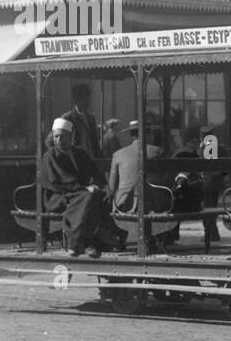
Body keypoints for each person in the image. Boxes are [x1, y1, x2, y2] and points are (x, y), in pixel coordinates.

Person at [40, 117, 121, 258]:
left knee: (99, 195)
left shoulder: (79, 153)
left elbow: (94, 172)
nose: (58, 139)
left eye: (62, 136)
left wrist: (95, 184)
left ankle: (88, 241)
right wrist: (83, 188)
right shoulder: (50, 156)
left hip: (78, 192)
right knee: (87, 197)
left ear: (70, 137)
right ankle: (80, 243)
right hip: (58, 195)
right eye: (56, 136)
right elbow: (56, 182)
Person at [107, 121, 162, 212]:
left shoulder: (118, 154)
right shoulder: (157, 151)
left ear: (133, 136)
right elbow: (167, 180)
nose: (153, 137)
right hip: (153, 206)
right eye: (152, 133)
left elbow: (112, 186)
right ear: (147, 134)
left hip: (122, 206)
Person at [62, 83, 103, 160]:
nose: (87, 102)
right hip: (76, 160)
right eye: (84, 100)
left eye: (88, 99)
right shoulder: (67, 118)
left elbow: (95, 142)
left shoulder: (91, 118)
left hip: (91, 160)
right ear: (77, 100)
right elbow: (52, 140)